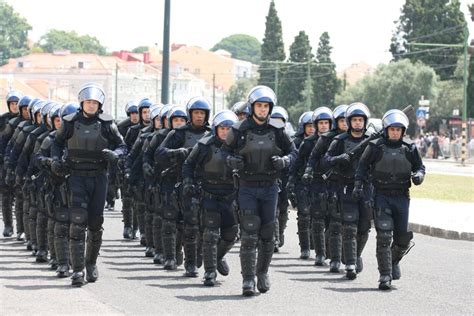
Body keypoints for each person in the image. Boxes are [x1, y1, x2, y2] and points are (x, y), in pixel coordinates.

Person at [222, 85, 296, 296]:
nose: (263, 110)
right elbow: (223, 151)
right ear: (252, 106)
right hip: (247, 187)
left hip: (270, 188)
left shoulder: (278, 128)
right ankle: (247, 280)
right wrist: (232, 160)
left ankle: (262, 272)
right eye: (259, 106)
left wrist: (285, 160)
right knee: (249, 234)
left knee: (267, 234)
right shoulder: (239, 129)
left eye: (266, 106)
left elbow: (294, 153)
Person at [51, 83, 126, 286]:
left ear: (99, 104)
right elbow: (56, 143)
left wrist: (115, 155)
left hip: (98, 177)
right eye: (88, 102)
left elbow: (121, 146)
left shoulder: (107, 124)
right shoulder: (69, 123)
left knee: (95, 223)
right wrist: (56, 160)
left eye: (95, 102)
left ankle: (91, 262)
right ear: (82, 102)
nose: (91, 105)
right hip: (75, 176)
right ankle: (77, 271)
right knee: (77, 222)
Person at [355, 109, 425, 290]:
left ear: (403, 131)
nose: (395, 132)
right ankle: (384, 275)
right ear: (386, 130)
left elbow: (420, 167)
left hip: (402, 197)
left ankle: (394, 261)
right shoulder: (375, 147)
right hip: (381, 196)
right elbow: (362, 167)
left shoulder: (410, 148)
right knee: (384, 237)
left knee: (403, 238)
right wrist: (358, 186)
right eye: (392, 129)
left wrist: (418, 175)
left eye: (398, 130)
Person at [182, 110, 239, 286]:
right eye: (222, 127)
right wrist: (189, 182)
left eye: (229, 128)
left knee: (231, 234)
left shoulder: (240, 146)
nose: (225, 131)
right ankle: (210, 272)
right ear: (216, 128)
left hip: (231, 196)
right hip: (209, 195)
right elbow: (188, 165)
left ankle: (218, 256)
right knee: (210, 235)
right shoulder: (204, 145)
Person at [156, 97, 211, 277]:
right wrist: (178, 153)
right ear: (190, 114)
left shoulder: (212, 133)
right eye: (196, 113)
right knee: (190, 224)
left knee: (208, 225)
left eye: (202, 113)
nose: (199, 117)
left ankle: (206, 256)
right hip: (184, 182)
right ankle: (190, 263)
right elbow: (160, 153)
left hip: (209, 184)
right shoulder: (179, 134)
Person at [324, 102, 372, 280]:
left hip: (366, 187)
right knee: (349, 226)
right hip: (346, 187)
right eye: (355, 120)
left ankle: (355, 254)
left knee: (364, 227)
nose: (358, 123)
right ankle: (350, 263)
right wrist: (339, 158)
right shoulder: (340, 141)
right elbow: (327, 159)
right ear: (349, 122)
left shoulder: (372, 140)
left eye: (361, 120)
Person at [290, 107, 333, 264]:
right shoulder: (307, 143)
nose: (323, 126)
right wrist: (291, 183)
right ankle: (312, 250)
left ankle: (329, 250)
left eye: (326, 123)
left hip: (331, 183)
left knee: (332, 220)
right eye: (320, 123)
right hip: (310, 183)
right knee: (311, 217)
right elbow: (297, 163)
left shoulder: (336, 141)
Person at [0, 90, 23, 237]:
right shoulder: (2, 120)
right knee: (5, 195)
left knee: (20, 195)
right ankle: (8, 225)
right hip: (3, 161)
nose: (14, 106)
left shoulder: (26, 120)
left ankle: (22, 228)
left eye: (17, 104)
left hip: (20, 161)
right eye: (12, 104)